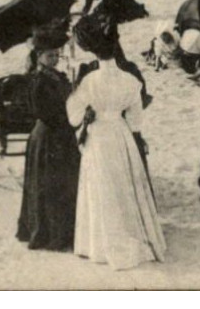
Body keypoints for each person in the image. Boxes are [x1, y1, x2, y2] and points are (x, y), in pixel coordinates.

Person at [67, 17, 166, 270]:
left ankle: (98, 245)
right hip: (120, 134)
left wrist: (87, 107)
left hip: (98, 134)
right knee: (123, 184)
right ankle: (131, 233)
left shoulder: (89, 80)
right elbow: (135, 120)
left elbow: (73, 116)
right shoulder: (131, 80)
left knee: (101, 185)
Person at [17, 23, 80, 252]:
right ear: (39, 56)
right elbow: (42, 112)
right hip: (48, 138)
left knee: (63, 184)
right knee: (50, 187)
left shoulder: (57, 76)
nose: (54, 59)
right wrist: (68, 116)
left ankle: (64, 232)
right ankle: (50, 235)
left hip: (60, 135)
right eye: (49, 55)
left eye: (56, 55)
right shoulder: (37, 81)